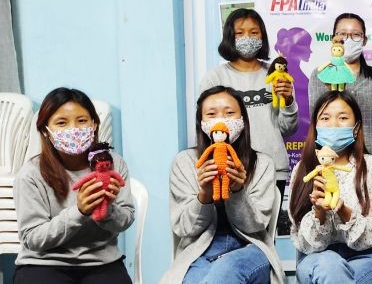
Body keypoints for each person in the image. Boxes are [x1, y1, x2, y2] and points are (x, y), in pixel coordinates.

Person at [162, 86, 283, 283]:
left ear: (242, 120)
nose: (221, 120)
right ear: (201, 123)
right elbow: (184, 229)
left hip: (249, 248)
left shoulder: (262, 164)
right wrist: (204, 196)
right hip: (199, 252)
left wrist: (237, 191)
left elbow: (255, 226)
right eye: (211, 114)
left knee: (227, 271)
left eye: (229, 113)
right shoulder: (185, 162)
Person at [13, 87, 134, 283]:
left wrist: (107, 210)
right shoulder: (30, 174)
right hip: (43, 263)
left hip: (101, 262)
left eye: (82, 120)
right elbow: (33, 238)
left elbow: (126, 219)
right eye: (62, 123)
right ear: (45, 130)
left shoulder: (113, 164)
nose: (73, 129)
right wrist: (79, 212)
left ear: (94, 124)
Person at [289, 91, 372, 284]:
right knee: (329, 264)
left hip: (367, 257)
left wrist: (343, 211)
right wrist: (319, 212)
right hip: (317, 258)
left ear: (356, 127)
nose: (334, 125)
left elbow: (371, 236)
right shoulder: (302, 170)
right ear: (316, 126)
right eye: (325, 118)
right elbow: (303, 243)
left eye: (343, 118)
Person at [200, 8, 297, 197]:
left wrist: (288, 100)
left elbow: (288, 129)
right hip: (229, 168)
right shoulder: (214, 78)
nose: (248, 38)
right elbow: (206, 128)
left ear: (262, 37)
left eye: (254, 32)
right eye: (240, 33)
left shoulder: (276, 76)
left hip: (273, 168)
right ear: (230, 36)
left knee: (269, 218)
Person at [308, 13, 372, 176]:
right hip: (333, 159)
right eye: (342, 34)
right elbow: (317, 120)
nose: (348, 40)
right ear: (333, 39)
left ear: (364, 40)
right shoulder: (320, 75)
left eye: (356, 35)